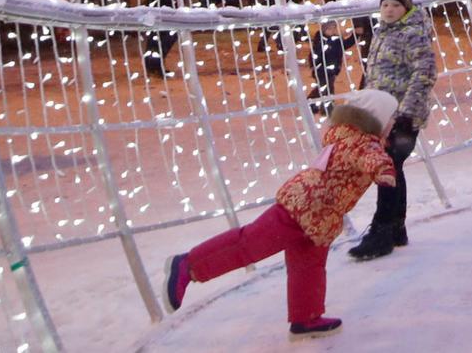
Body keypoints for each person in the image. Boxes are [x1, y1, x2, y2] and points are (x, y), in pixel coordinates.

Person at [165, 89, 398, 337]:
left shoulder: (350, 135)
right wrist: (384, 169)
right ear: (377, 118)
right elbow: (371, 158)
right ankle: (189, 265)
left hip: (321, 217)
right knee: (251, 243)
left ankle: (306, 318)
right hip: (303, 207)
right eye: (391, 118)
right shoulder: (362, 143)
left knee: (308, 266)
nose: (394, 123)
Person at [349, 0, 435, 261]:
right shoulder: (384, 30)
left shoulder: (412, 33)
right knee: (392, 167)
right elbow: (373, 71)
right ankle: (396, 228)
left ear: (407, 7)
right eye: (384, 4)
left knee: (387, 167)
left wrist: (405, 114)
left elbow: (424, 74)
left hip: (403, 116)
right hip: (383, 114)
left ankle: (382, 232)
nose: (388, 10)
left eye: (395, 5)